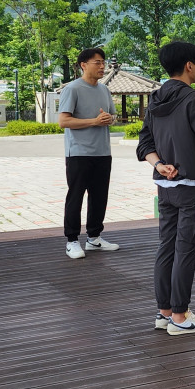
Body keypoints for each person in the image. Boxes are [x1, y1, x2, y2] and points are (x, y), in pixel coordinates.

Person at [137, 41, 195, 335]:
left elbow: (144, 144)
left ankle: (165, 313)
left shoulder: (155, 100)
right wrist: (188, 161)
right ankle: (180, 317)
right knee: (185, 250)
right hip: (192, 186)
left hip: (165, 185)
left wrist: (160, 164)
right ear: (188, 65)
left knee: (167, 247)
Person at [58, 47, 119, 259]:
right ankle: (72, 241)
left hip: (102, 152)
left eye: (103, 62)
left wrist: (110, 119)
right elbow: (63, 121)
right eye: (97, 62)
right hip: (79, 153)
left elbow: (112, 116)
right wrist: (94, 121)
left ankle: (94, 238)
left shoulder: (104, 90)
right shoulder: (72, 89)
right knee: (75, 196)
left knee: (99, 197)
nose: (102, 66)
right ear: (83, 65)